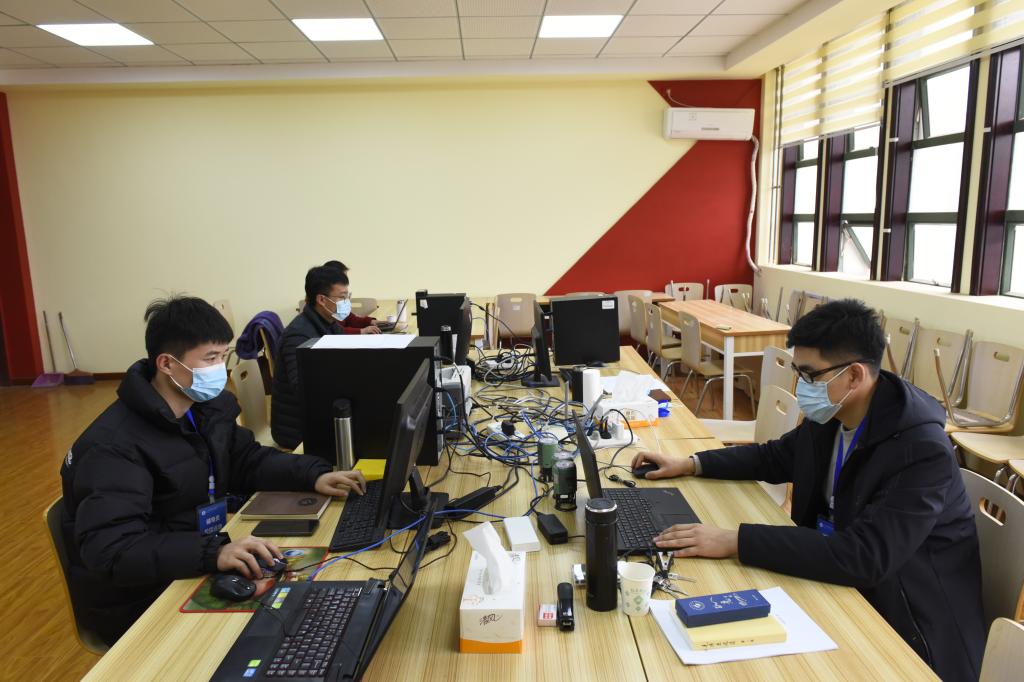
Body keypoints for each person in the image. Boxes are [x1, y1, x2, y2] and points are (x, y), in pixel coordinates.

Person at [631, 299, 985, 681]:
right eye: (798, 371)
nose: (801, 385)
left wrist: (736, 540)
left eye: (810, 374)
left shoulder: (921, 450)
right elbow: (774, 457)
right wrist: (691, 463)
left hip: (910, 628)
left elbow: (865, 557)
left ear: (854, 376)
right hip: (840, 583)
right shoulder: (834, 412)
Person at [60, 296, 366, 646]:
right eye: (210, 358)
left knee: (311, 604)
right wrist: (213, 553)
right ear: (167, 364)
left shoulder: (203, 408)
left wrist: (313, 474)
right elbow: (114, 551)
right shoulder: (114, 448)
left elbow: (246, 459)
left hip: (189, 558)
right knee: (291, 629)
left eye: (223, 356)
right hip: (141, 598)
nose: (220, 369)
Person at [272, 266, 378, 448]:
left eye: (348, 296)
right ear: (321, 299)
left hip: (320, 415)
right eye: (342, 297)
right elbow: (303, 389)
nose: (346, 302)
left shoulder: (329, 323)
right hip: (298, 428)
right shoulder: (298, 336)